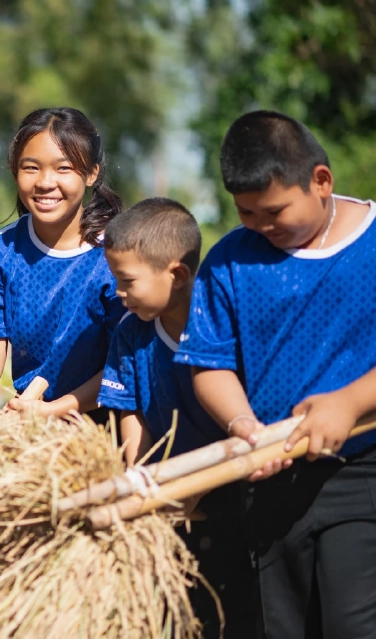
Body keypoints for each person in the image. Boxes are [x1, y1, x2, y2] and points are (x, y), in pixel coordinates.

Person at [176, 110, 376, 638]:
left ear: (321, 181)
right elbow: (209, 364)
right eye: (246, 212)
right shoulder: (229, 261)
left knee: (353, 623)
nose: (262, 226)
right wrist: (242, 423)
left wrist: (351, 402)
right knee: (279, 625)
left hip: (362, 470)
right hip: (267, 474)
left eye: (275, 211)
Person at [98, 197, 260, 638]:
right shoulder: (130, 333)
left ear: (178, 274)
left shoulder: (227, 323)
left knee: (242, 610)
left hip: (238, 488)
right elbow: (130, 412)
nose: (118, 292)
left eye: (127, 281)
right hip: (170, 498)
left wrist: (196, 488)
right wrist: (145, 477)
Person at [0, 107, 126, 426]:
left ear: (91, 174)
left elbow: (127, 361)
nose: (45, 182)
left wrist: (55, 409)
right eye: (31, 167)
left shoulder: (119, 253)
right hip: (33, 425)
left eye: (64, 168)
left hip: (110, 423)